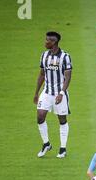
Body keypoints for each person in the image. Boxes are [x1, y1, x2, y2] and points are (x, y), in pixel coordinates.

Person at [34, 31, 72, 159]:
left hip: (59, 93)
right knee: (40, 117)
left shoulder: (65, 56)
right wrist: (36, 92)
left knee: (62, 120)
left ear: (54, 42)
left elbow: (68, 77)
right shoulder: (44, 55)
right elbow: (42, 74)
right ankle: (46, 144)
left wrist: (61, 93)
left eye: (47, 40)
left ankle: (63, 148)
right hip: (46, 92)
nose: (45, 42)